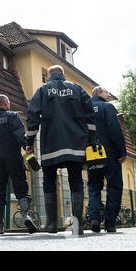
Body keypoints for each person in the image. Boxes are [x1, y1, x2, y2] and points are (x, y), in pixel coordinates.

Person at [25, 65, 96, 235]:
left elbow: (32, 115)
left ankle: (51, 224)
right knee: (76, 180)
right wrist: (92, 140)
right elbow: (90, 115)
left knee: (48, 180)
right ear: (63, 75)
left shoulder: (43, 90)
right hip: (75, 144)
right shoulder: (78, 88)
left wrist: (30, 142)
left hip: (51, 144)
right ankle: (77, 226)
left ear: (49, 76)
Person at [0, 94, 38, 236]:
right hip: (13, 157)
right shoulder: (13, 116)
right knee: (21, 187)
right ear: (6, 102)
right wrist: (27, 148)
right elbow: (20, 136)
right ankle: (26, 216)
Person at [88, 86, 127, 233]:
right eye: (106, 92)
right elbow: (114, 130)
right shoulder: (107, 107)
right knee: (114, 185)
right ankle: (110, 223)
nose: (109, 95)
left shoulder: (84, 108)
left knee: (94, 185)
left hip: (91, 153)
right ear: (98, 93)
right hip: (109, 152)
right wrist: (122, 152)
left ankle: (95, 219)